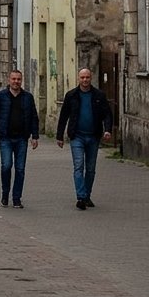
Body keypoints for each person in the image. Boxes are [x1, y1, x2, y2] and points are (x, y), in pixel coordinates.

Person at [56, 68, 114, 210]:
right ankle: (81, 196)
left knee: (91, 168)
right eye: (82, 77)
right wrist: (59, 136)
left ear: (91, 78)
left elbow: (107, 114)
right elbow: (64, 116)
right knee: (78, 166)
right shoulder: (71, 96)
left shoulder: (99, 95)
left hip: (93, 136)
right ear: (78, 78)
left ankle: (87, 195)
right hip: (77, 136)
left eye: (87, 77)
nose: (85, 80)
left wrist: (107, 130)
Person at [0, 69, 40, 208]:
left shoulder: (27, 97)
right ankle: (5, 194)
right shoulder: (0, 96)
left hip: (22, 138)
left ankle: (17, 198)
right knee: (6, 166)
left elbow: (34, 117)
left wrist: (35, 136)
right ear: (9, 80)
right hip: (5, 138)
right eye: (14, 79)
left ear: (21, 81)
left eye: (18, 79)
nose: (16, 82)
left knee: (20, 169)